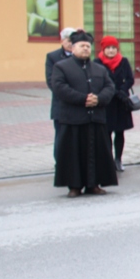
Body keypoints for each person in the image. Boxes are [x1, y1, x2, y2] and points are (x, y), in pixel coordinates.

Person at [51, 30, 118, 197]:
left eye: (88, 46)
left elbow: (110, 87)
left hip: (95, 118)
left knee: (96, 153)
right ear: (73, 48)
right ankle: (74, 186)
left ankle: (93, 184)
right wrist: (83, 99)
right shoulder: (61, 67)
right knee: (73, 154)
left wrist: (99, 99)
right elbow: (60, 88)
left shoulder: (99, 68)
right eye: (82, 46)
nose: (86, 49)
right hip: (73, 118)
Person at [95, 36, 134, 172]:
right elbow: (96, 81)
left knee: (120, 132)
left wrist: (122, 90)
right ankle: (108, 160)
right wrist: (109, 91)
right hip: (106, 103)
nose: (111, 51)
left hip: (121, 102)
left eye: (113, 48)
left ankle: (118, 159)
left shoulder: (123, 61)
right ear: (103, 49)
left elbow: (130, 79)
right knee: (106, 133)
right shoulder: (97, 62)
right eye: (108, 48)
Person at [46, 27, 78, 160]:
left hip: (78, 104)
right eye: (69, 40)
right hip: (61, 104)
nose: (71, 44)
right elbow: (51, 81)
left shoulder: (81, 55)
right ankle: (59, 163)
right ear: (62, 40)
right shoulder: (53, 57)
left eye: (74, 41)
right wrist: (69, 95)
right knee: (61, 135)